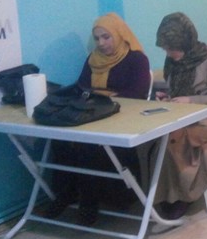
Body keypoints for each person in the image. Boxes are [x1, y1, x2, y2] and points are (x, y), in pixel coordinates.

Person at [44, 13, 151, 225]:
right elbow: (82, 88)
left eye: (106, 37)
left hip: (122, 119)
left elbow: (137, 94)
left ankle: (89, 202)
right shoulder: (93, 59)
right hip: (93, 115)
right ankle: (66, 193)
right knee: (59, 140)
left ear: (119, 34)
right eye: (97, 38)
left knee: (89, 145)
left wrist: (100, 96)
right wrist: (102, 96)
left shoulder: (136, 59)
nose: (101, 43)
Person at [154, 12, 207, 220]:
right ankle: (164, 193)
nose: (169, 53)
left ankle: (183, 194)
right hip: (180, 116)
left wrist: (190, 100)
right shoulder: (173, 62)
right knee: (156, 139)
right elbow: (176, 92)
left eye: (173, 48)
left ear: (185, 42)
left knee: (175, 138)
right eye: (166, 49)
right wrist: (168, 97)